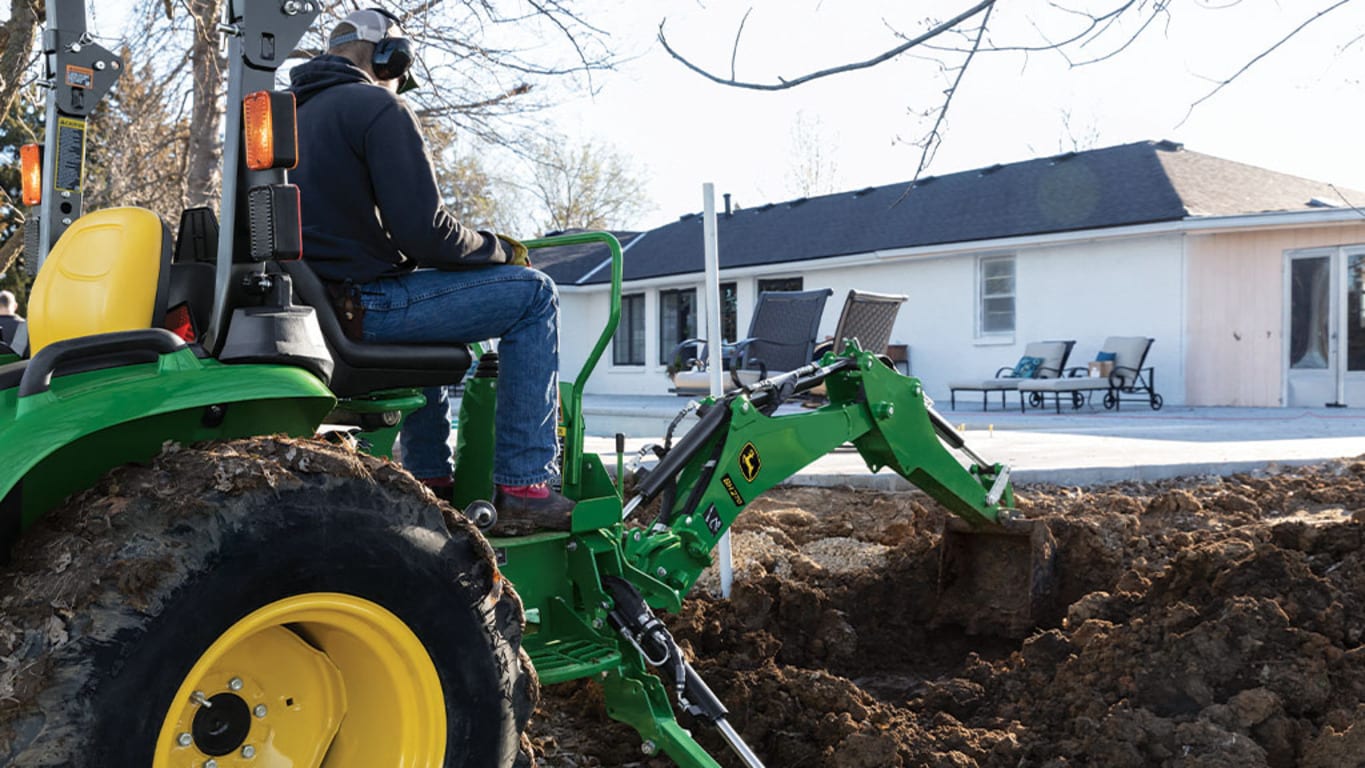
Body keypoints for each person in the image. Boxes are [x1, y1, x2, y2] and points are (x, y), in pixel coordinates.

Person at [289, 8, 571, 529]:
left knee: (423, 300)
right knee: (535, 295)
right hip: (362, 308)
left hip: (309, 309)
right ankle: (526, 486)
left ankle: (431, 480)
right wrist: (499, 250)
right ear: (391, 57)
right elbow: (428, 234)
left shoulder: (281, 116)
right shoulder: (378, 106)